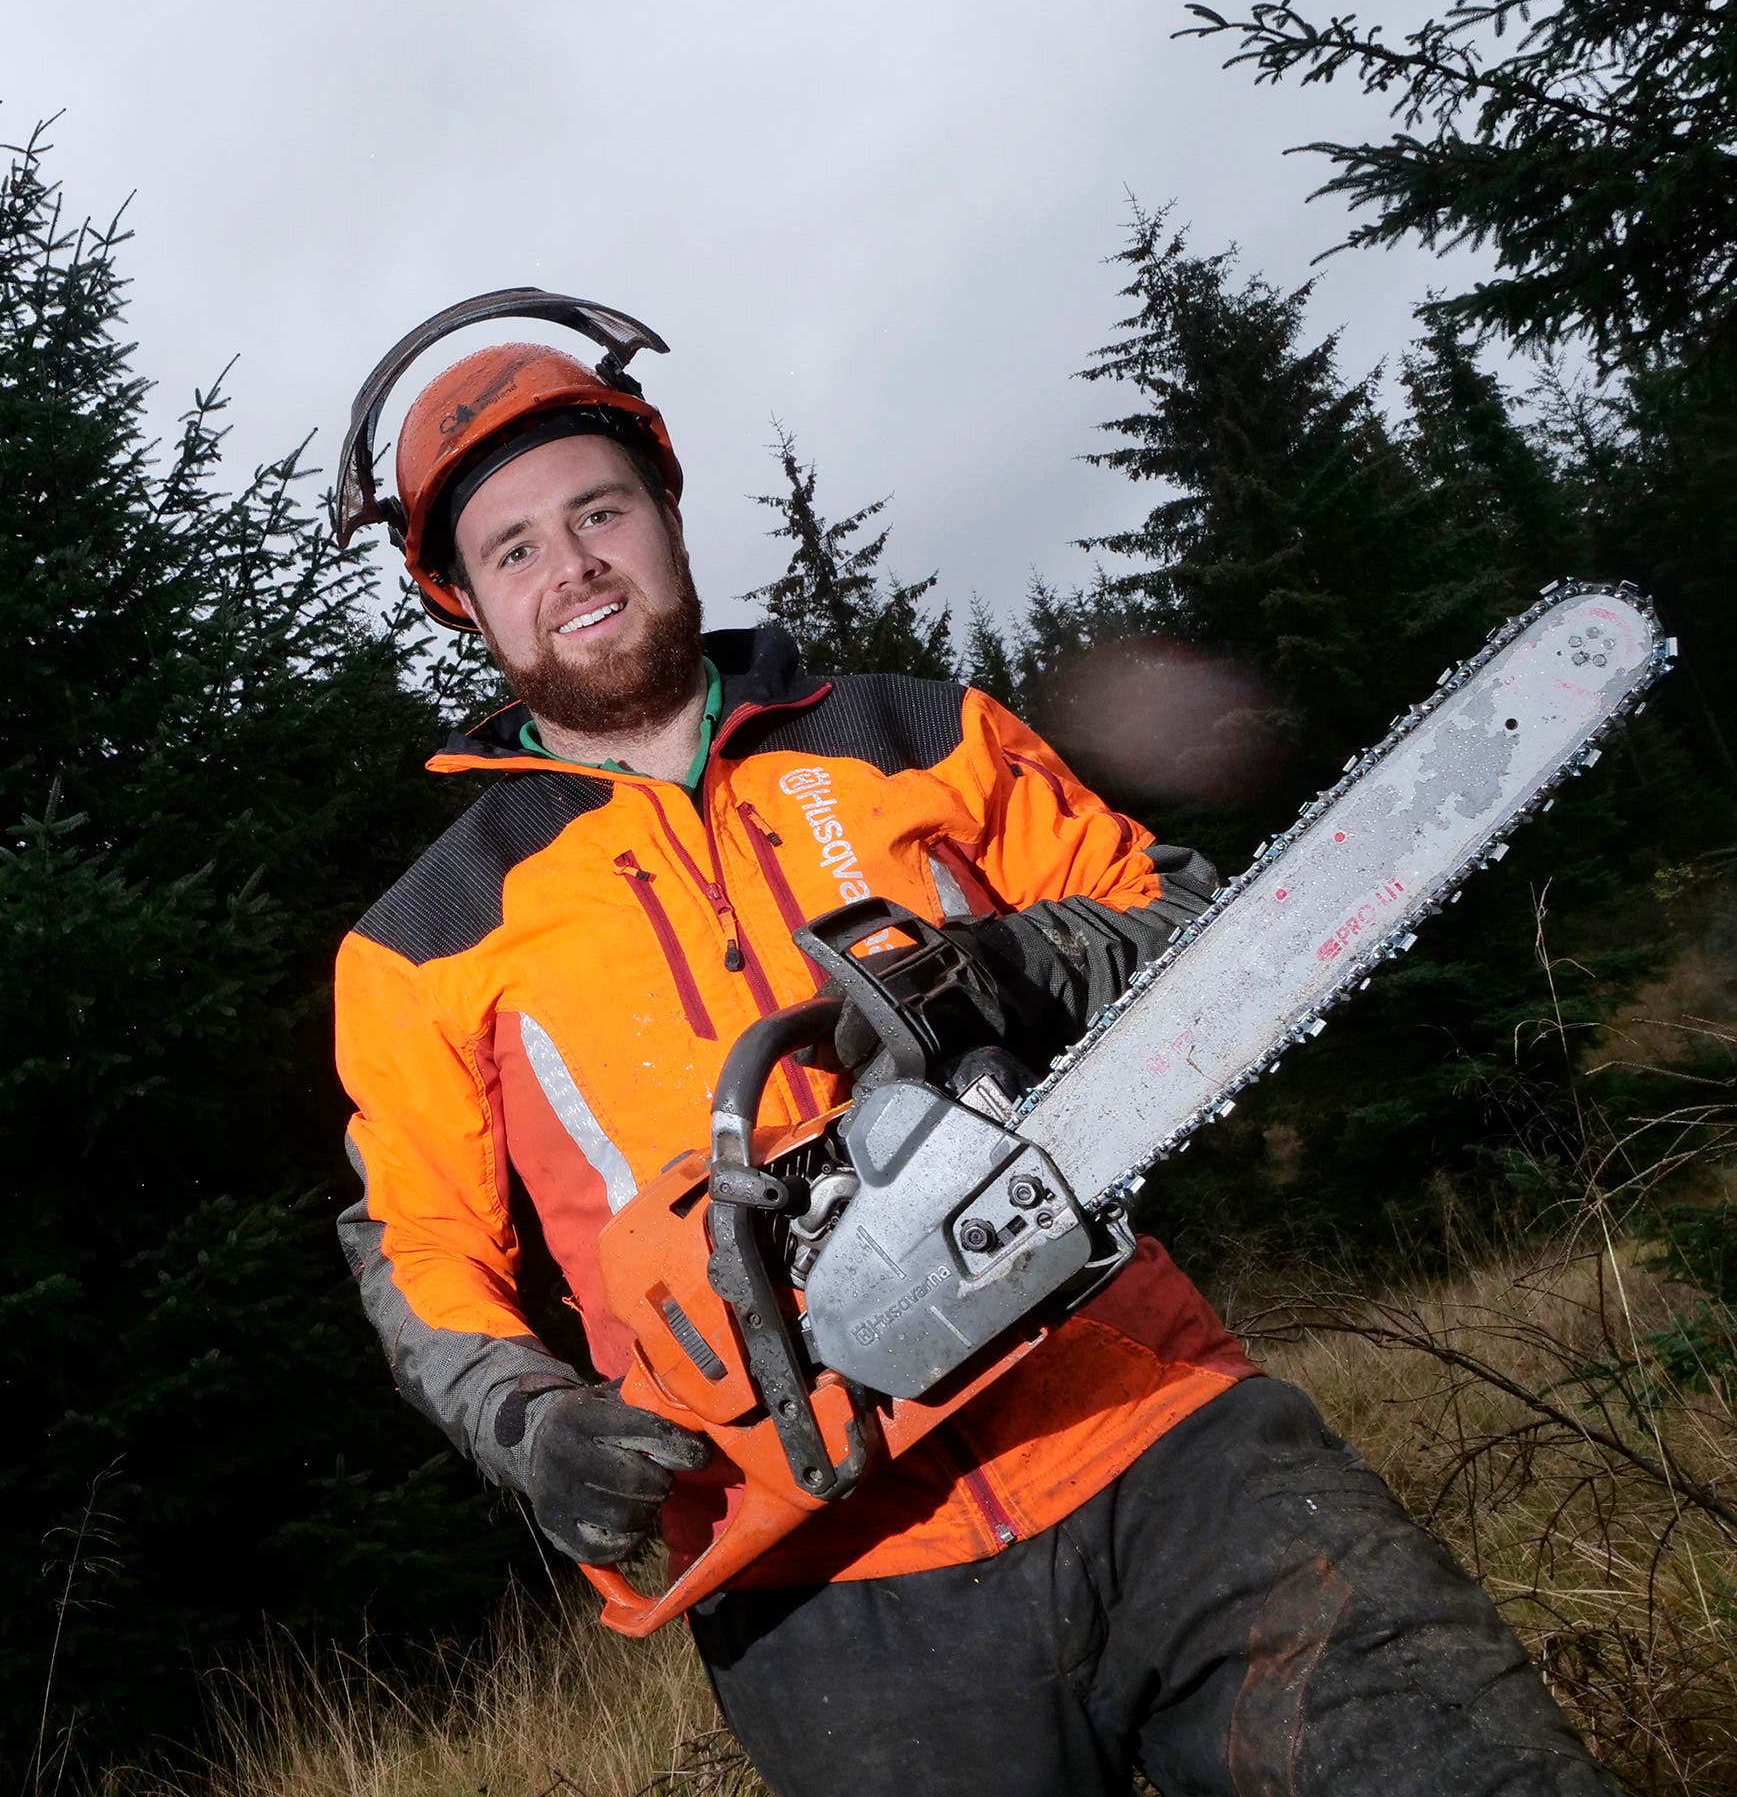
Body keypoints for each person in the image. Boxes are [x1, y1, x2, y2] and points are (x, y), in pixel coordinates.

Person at [329, 296, 1612, 1797]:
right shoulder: (425, 934)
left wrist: (1010, 959)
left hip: (1151, 1427)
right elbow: (413, 1239)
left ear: (665, 511)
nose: (575, 568)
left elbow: (1185, 921)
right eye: (517, 549)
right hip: (824, 1578)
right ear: (464, 602)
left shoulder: (909, 736)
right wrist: (531, 1419)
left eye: (596, 510)